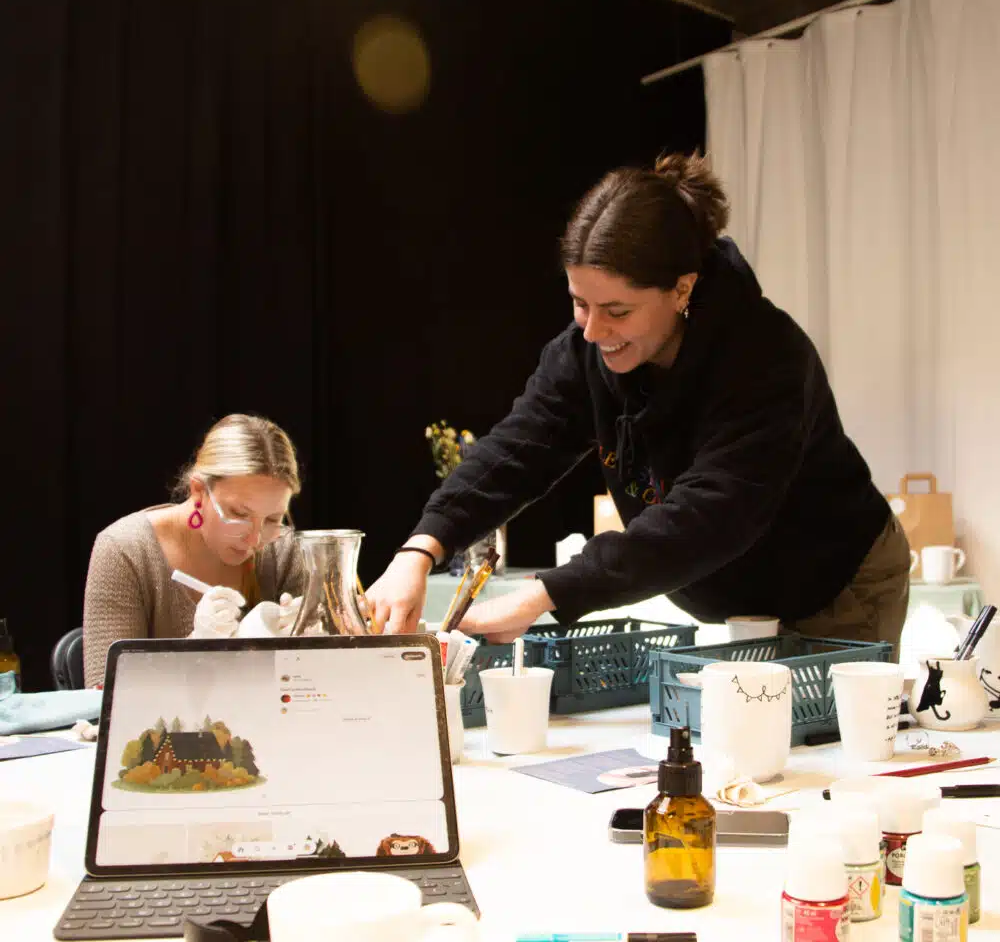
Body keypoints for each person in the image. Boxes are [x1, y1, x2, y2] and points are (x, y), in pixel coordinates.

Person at [365, 153, 911, 655]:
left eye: (617, 311)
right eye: (580, 303)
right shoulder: (584, 353)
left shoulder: (767, 359)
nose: (593, 331)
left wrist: (547, 594)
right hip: (733, 595)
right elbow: (516, 450)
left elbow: (709, 516)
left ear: (682, 289)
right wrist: (421, 549)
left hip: (835, 583)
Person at [82, 414, 306, 686]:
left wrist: (313, 648)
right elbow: (104, 694)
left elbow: (316, 691)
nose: (255, 539)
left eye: (272, 519)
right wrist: (192, 650)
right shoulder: (125, 550)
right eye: (239, 514)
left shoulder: (282, 550)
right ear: (199, 491)